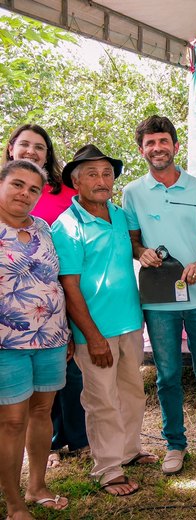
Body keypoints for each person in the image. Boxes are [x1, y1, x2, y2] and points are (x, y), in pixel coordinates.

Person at [122, 115, 196, 475]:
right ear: (141, 150)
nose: (157, 148)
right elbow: (134, 241)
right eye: (150, 143)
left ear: (176, 146)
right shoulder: (132, 192)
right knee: (166, 375)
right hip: (158, 300)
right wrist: (141, 253)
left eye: (163, 141)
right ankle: (175, 444)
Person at [52, 145, 155, 497]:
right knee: (102, 400)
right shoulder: (66, 227)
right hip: (94, 331)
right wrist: (91, 336)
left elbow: (133, 250)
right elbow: (70, 286)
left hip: (129, 322)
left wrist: (145, 254)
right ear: (76, 182)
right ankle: (108, 469)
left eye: (107, 174)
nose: (102, 180)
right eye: (92, 174)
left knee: (132, 392)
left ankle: (128, 450)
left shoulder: (119, 214)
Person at [3, 124, 88, 468]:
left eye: (40, 147)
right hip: (9, 329)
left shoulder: (60, 198)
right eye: (25, 145)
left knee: (64, 382)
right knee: (14, 408)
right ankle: (46, 447)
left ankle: (77, 439)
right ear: (11, 149)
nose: (32, 151)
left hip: (53, 317)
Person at [0, 160, 71, 519]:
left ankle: (38, 485)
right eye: (17, 185)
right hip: (5, 344)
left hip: (52, 338)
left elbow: (54, 280)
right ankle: (13, 503)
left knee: (42, 412)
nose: (24, 194)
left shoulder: (43, 227)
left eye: (33, 189)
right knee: (12, 421)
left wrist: (67, 330)